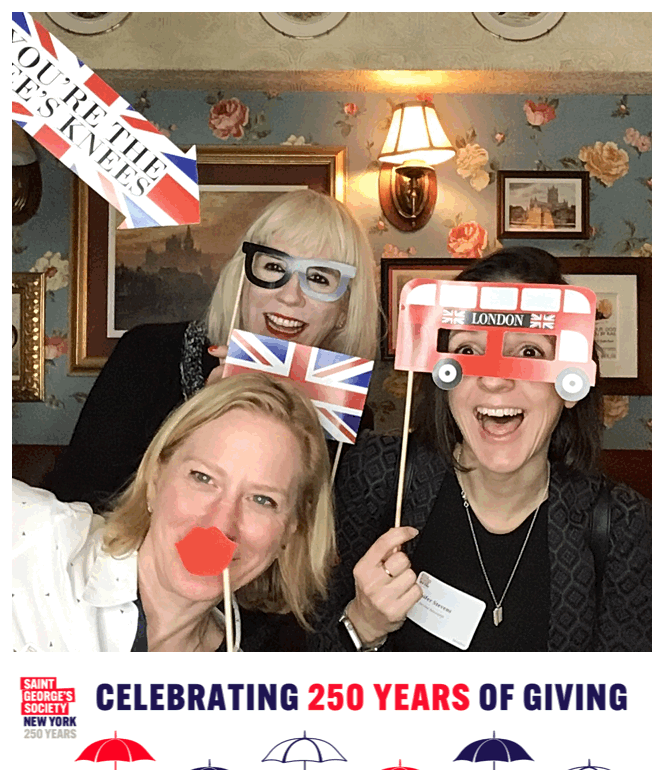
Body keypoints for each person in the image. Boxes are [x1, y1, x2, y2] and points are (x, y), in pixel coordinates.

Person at [311, 247, 651, 652]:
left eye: (529, 353)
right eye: (469, 351)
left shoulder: (626, 525)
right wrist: (361, 627)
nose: (494, 380)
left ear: (571, 385)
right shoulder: (373, 476)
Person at [42, 189, 378, 512]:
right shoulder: (147, 354)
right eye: (274, 267)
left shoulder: (345, 414)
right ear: (243, 279)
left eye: (319, 279)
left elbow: (322, 538)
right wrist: (203, 418)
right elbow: (78, 504)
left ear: (344, 310)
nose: (290, 296)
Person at [13, 373, 335, 652]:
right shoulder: (38, 536)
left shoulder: (247, 685)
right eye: (203, 478)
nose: (220, 525)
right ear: (155, 479)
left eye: (262, 500)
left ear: (291, 529)